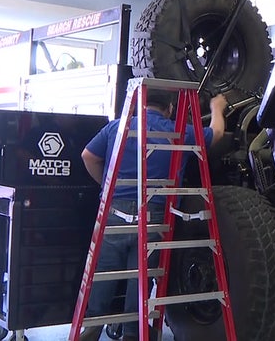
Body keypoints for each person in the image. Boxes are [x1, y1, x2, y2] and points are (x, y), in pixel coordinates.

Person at [78, 89, 227, 341]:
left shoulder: (117, 128)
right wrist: (217, 108)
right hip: (153, 218)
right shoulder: (179, 130)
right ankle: (131, 335)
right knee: (140, 285)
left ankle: (91, 331)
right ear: (169, 109)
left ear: (140, 105)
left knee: (103, 279)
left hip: (114, 215)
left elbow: (88, 156)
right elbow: (217, 134)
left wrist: (108, 186)